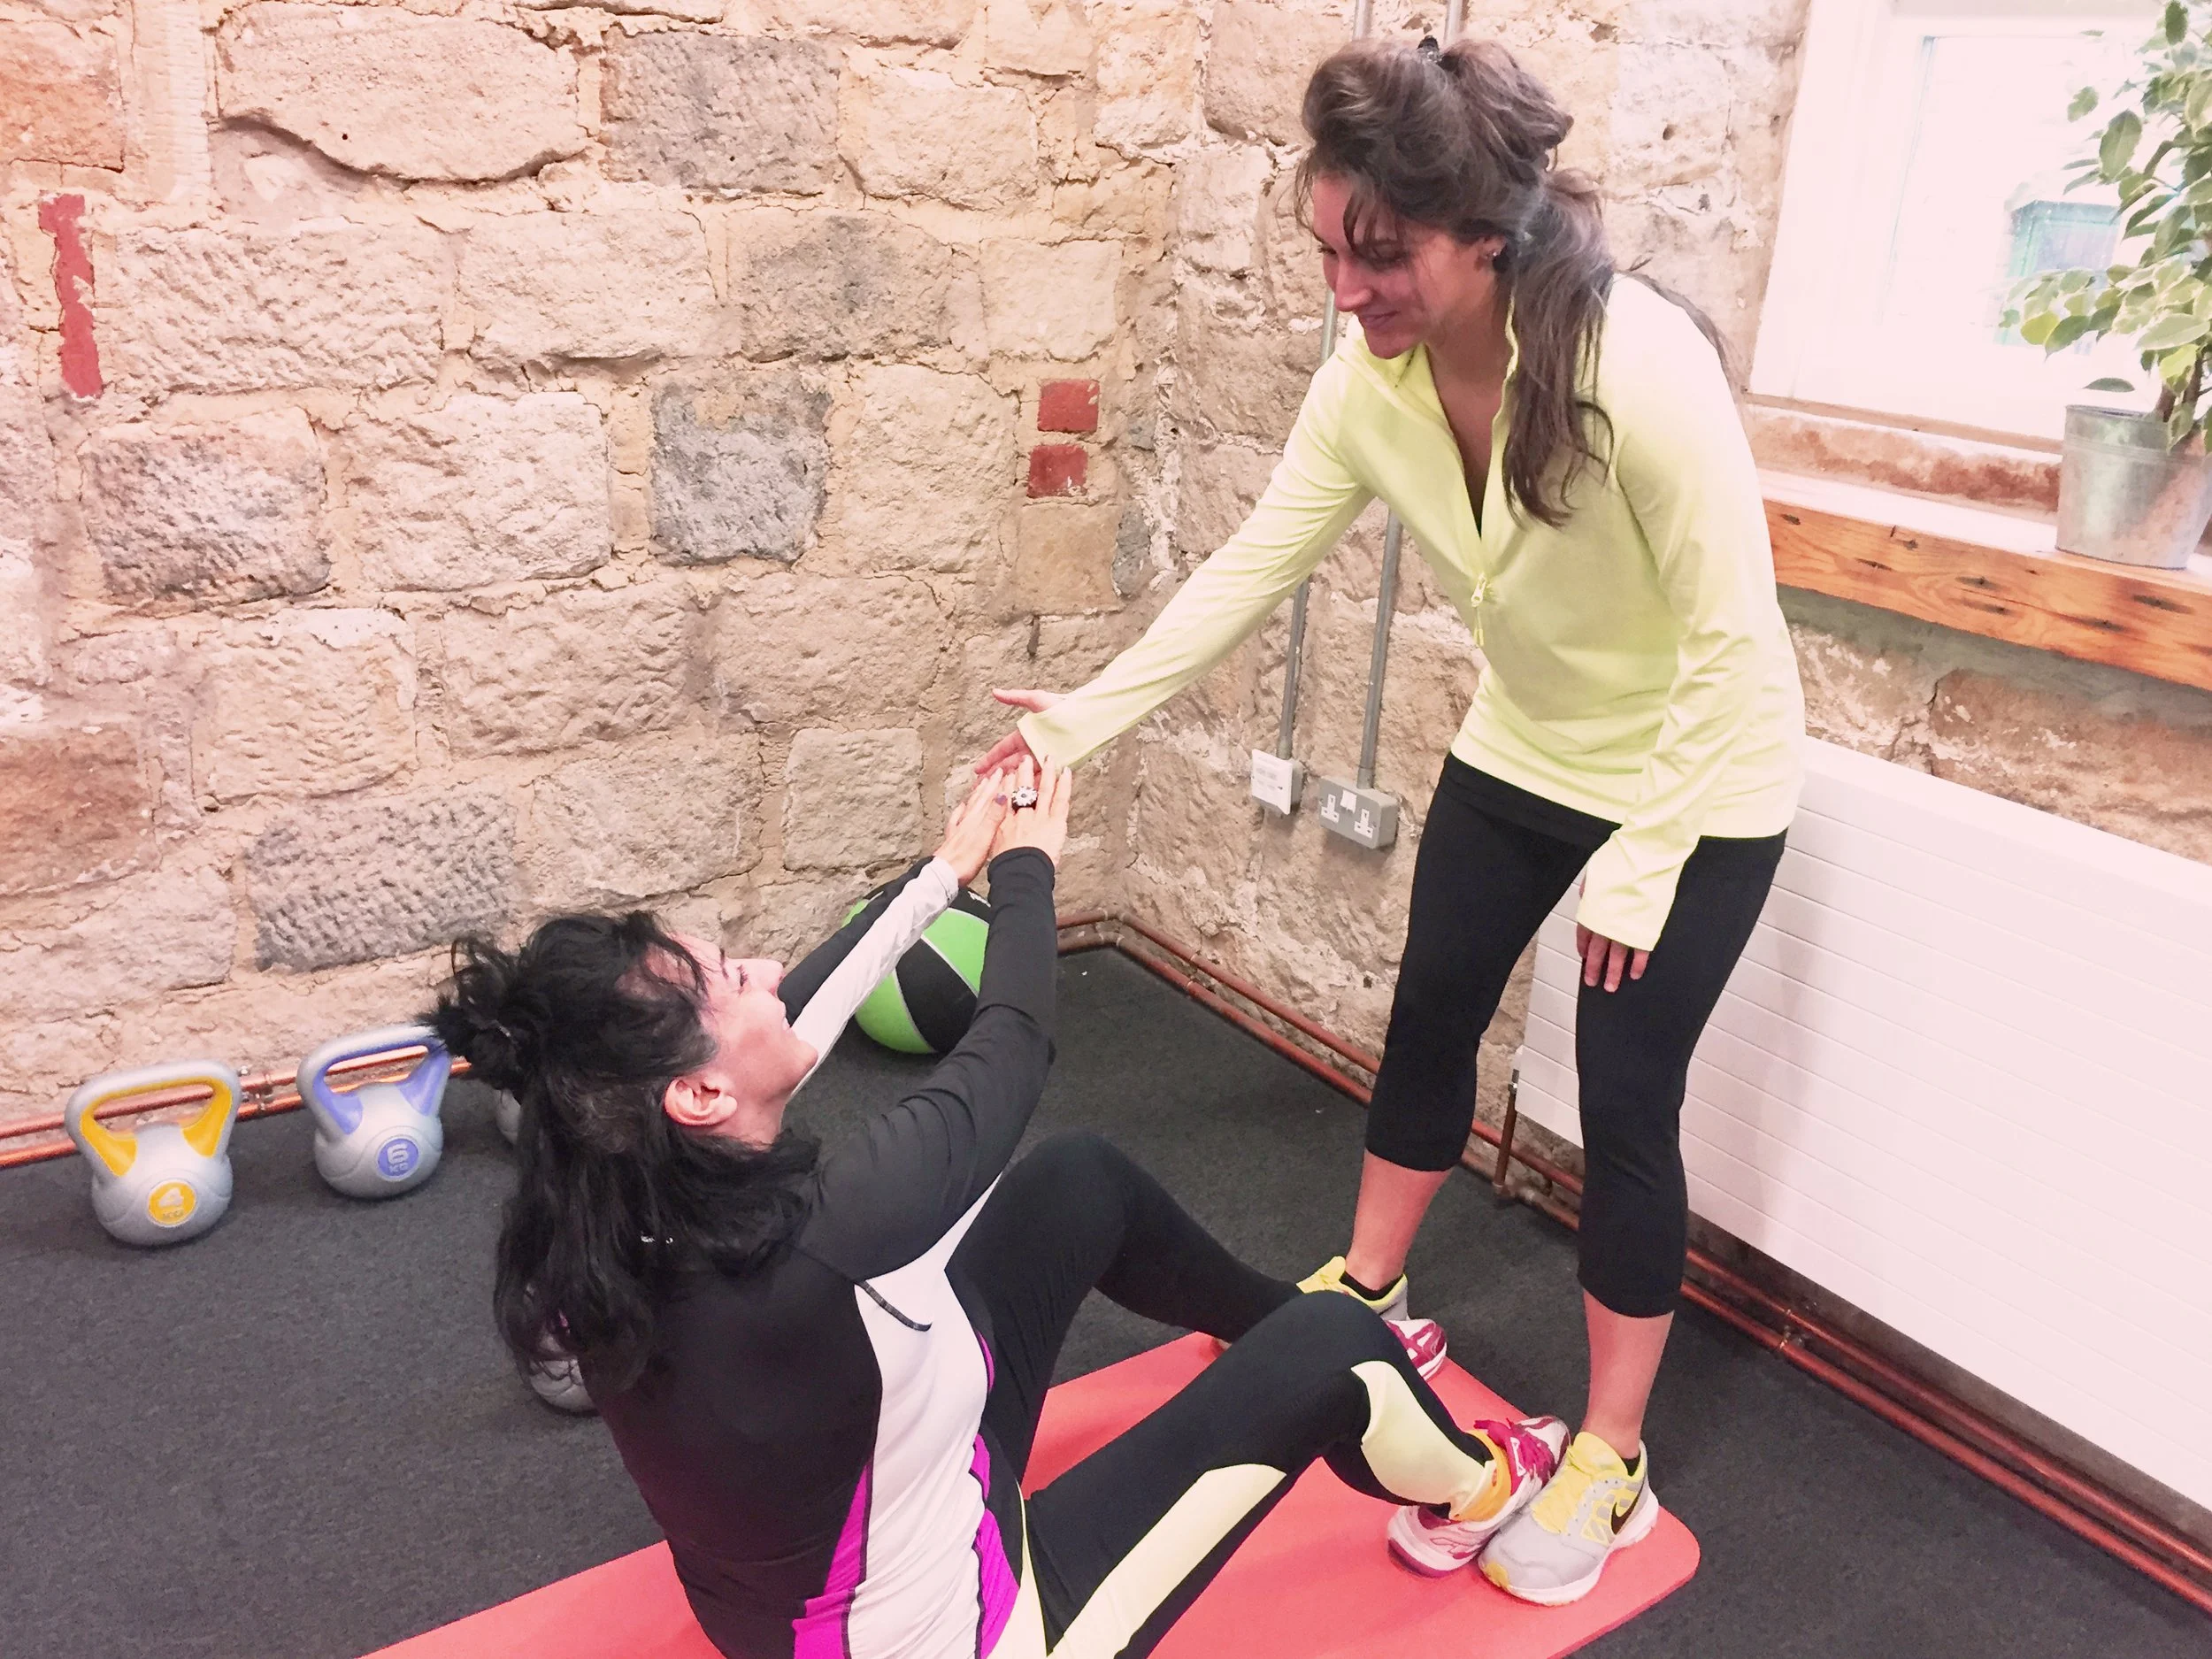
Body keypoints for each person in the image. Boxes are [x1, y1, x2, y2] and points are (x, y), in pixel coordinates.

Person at [976, 35, 1805, 1607]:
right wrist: (1080, 715)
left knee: (1624, 1097)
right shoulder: (1372, 380)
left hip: (1703, 775)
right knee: (1429, 1013)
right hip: (1531, 745)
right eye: (1328, 253)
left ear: (1484, 234)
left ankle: (1611, 1456)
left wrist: (1642, 864)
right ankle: (1369, 1286)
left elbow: (1732, 646)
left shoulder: (1638, 367)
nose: (1348, 291)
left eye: (1383, 256)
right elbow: (1250, 568)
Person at [431, 759, 1565, 1659]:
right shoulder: (832, 1241)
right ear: (698, 1093)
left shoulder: (612, 1190)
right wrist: (1029, 864)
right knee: (1341, 1346)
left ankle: (1254, 1329)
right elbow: (1012, 1042)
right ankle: (1480, 1487)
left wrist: (947, 868)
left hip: (846, 1550)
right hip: (976, 1634)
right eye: (734, 983)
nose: (768, 967)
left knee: (1075, 1183)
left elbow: (803, 1019)